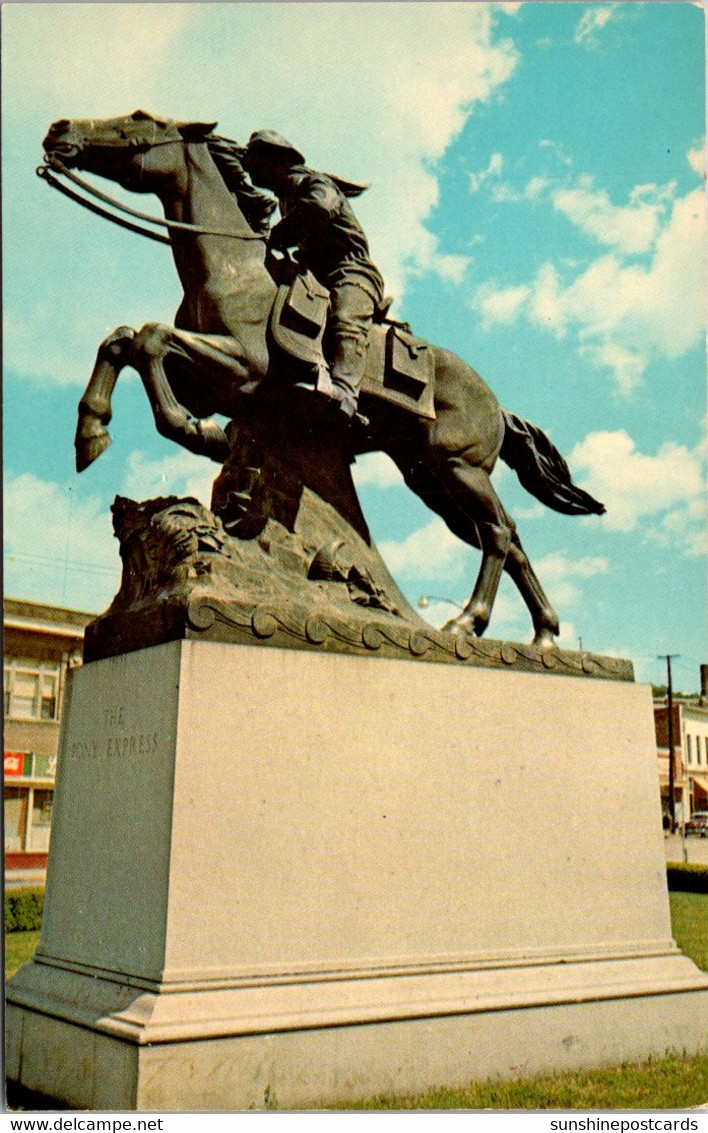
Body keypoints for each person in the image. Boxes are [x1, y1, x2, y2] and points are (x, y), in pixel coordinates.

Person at [242, 130, 386, 421]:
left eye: (258, 164)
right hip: (316, 277)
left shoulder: (315, 182)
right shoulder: (285, 199)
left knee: (347, 319)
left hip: (350, 271)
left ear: (278, 160)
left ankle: (346, 392)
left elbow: (321, 209)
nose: (253, 172)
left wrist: (279, 234)